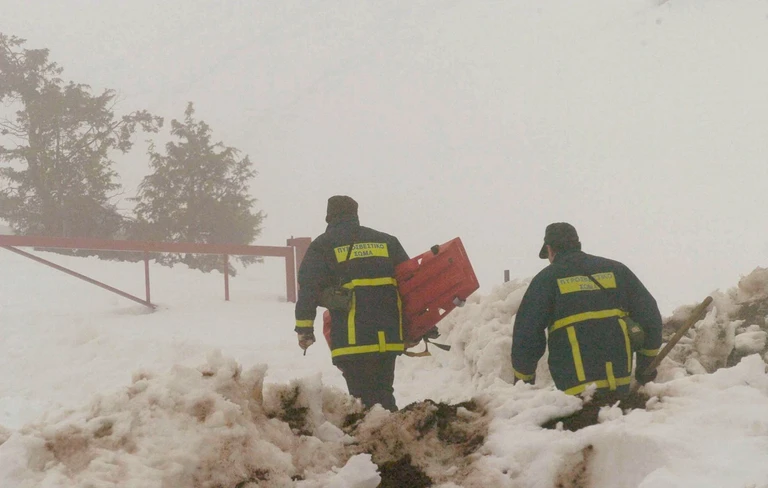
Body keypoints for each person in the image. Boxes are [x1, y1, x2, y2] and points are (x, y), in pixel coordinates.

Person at [511, 222, 662, 403]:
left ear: (550, 250)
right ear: (577, 244)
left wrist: (523, 381)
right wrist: (646, 364)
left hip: (575, 391)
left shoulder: (547, 279)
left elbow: (527, 334)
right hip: (619, 382)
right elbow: (650, 316)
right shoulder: (617, 270)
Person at [294, 195, 409, 411]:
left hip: (352, 338)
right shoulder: (387, 241)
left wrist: (304, 328)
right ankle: (394, 434)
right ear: (355, 215)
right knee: (384, 393)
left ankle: (375, 439)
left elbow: (308, 289)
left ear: (329, 217)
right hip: (388, 338)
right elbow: (411, 284)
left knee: (361, 400)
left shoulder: (323, 246)